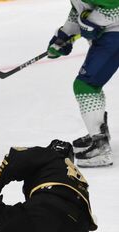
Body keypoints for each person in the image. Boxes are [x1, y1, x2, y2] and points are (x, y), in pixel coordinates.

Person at [47, 1, 119, 167]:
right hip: (110, 35)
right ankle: (99, 135)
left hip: (114, 35)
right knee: (90, 85)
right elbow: (79, 8)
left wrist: (93, 22)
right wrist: (64, 35)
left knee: (85, 86)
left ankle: (100, 147)